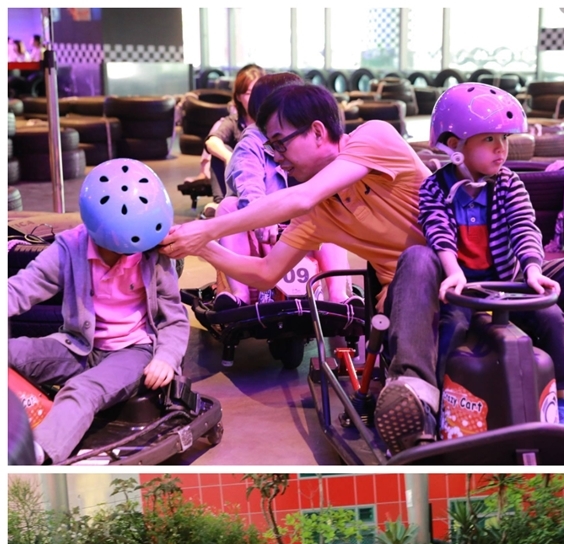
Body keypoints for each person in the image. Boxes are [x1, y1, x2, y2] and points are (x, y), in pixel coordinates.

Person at [159, 83, 564, 454]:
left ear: (317, 132)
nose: (276, 157)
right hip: (426, 285)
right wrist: (205, 250)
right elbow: (267, 273)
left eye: (280, 143)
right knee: (417, 259)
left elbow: (304, 195)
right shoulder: (317, 213)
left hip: (501, 275)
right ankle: (414, 393)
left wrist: (530, 264)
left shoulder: (373, 138)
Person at [418, 82, 564, 426]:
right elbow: (438, 230)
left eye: (505, 138)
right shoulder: (434, 187)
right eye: (489, 139)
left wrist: (533, 269)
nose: (501, 149)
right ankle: (440, 402)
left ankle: (562, 399)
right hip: (463, 287)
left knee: (551, 317)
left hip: (506, 284)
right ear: (455, 146)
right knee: (451, 325)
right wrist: (453, 272)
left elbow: (524, 227)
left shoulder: (508, 183)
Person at [7, 158, 187, 465]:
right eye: (124, 249)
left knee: (81, 390)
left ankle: (36, 456)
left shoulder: (153, 256)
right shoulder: (69, 249)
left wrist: (166, 358)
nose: (132, 256)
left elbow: (175, 318)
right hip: (78, 346)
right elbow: (21, 289)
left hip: (133, 351)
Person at [213, 71, 350, 309]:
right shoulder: (250, 145)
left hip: (302, 237)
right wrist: (262, 215)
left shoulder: (308, 140)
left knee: (327, 207)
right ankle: (239, 295)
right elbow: (248, 182)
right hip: (263, 238)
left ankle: (339, 295)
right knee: (228, 207)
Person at [205, 63, 263, 201]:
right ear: (238, 97)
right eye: (248, 93)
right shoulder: (234, 121)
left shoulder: (272, 122)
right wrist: (230, 158)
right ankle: (221, 203)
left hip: (264, 183)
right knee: (221, 150)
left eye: (258, 92)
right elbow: (212, 141)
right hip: (237, 184)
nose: (254, 98)